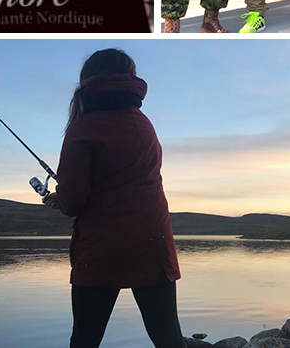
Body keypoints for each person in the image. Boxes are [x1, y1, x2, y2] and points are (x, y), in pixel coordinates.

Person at [41, 49, 183, 348]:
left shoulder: (83, 127)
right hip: (153, 242)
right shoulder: (143, 122)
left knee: (86, 338)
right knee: (168, 337)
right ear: (129, 78)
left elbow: (74, 203)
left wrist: (61, 198)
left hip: (101, 249)